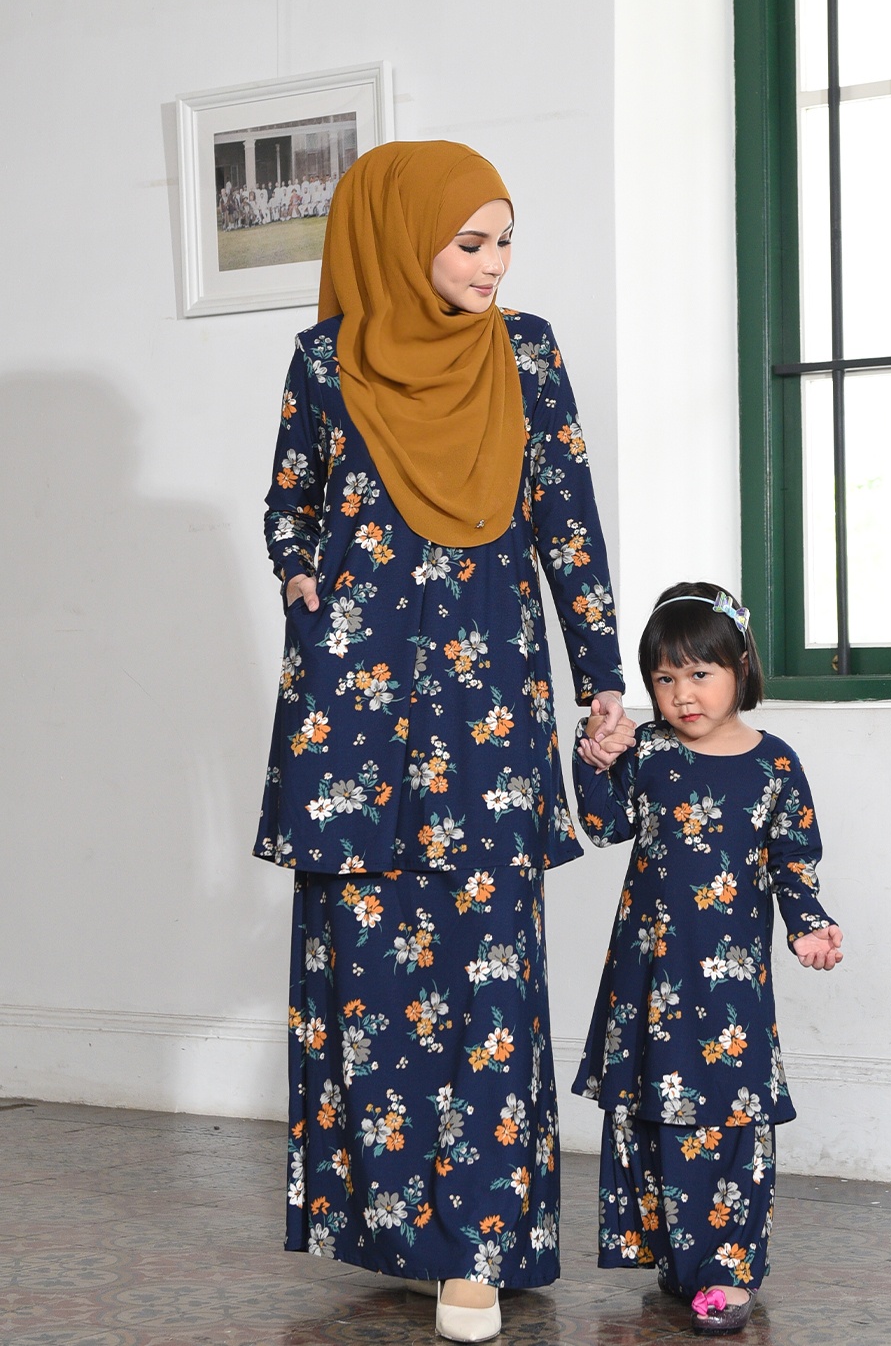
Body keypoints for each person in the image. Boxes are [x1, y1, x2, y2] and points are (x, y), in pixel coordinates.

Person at [254, 139, 628, 1343]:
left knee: (487, 974)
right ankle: (401, 1235)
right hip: (351, 718)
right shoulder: (326, 361)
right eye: (470, 241)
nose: (493, 262)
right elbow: (290, 502)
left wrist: (602, 682)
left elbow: (568, 525)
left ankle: (478, 1247)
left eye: (505, 240)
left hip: (488, 715)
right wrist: (299, 573)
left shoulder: (529, 354)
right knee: (368, 982)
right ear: (399, 238)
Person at [571, 581, 843, 1336]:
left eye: (700, 673)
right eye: (664, 679)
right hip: (649, 973)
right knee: (655, 1106)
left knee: (729, 1108)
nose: (682, 695)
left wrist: (810, 926)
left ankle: (727, 1269)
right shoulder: (650, 752)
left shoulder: (775, 764)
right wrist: (595, 758)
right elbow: (604, 825)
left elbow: (794, 858)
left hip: (730, 984)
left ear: (740, 667)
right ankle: (679, 1257)